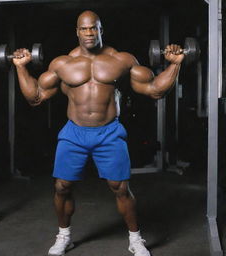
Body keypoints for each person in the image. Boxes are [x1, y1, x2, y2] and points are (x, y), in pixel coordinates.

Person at [13, 10, 184, 256]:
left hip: (109, 132)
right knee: (62, 186)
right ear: (77, 32)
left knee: (120, 188)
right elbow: (36, 97)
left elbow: (155, 89)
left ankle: (135, 239)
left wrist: (175, 64)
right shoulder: (62, 64)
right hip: (74, 133)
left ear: (101, 30)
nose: (89, 33)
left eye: (94, 28)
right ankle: (64, 236)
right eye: (84, 28)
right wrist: (20, 68)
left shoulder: (122, 60)